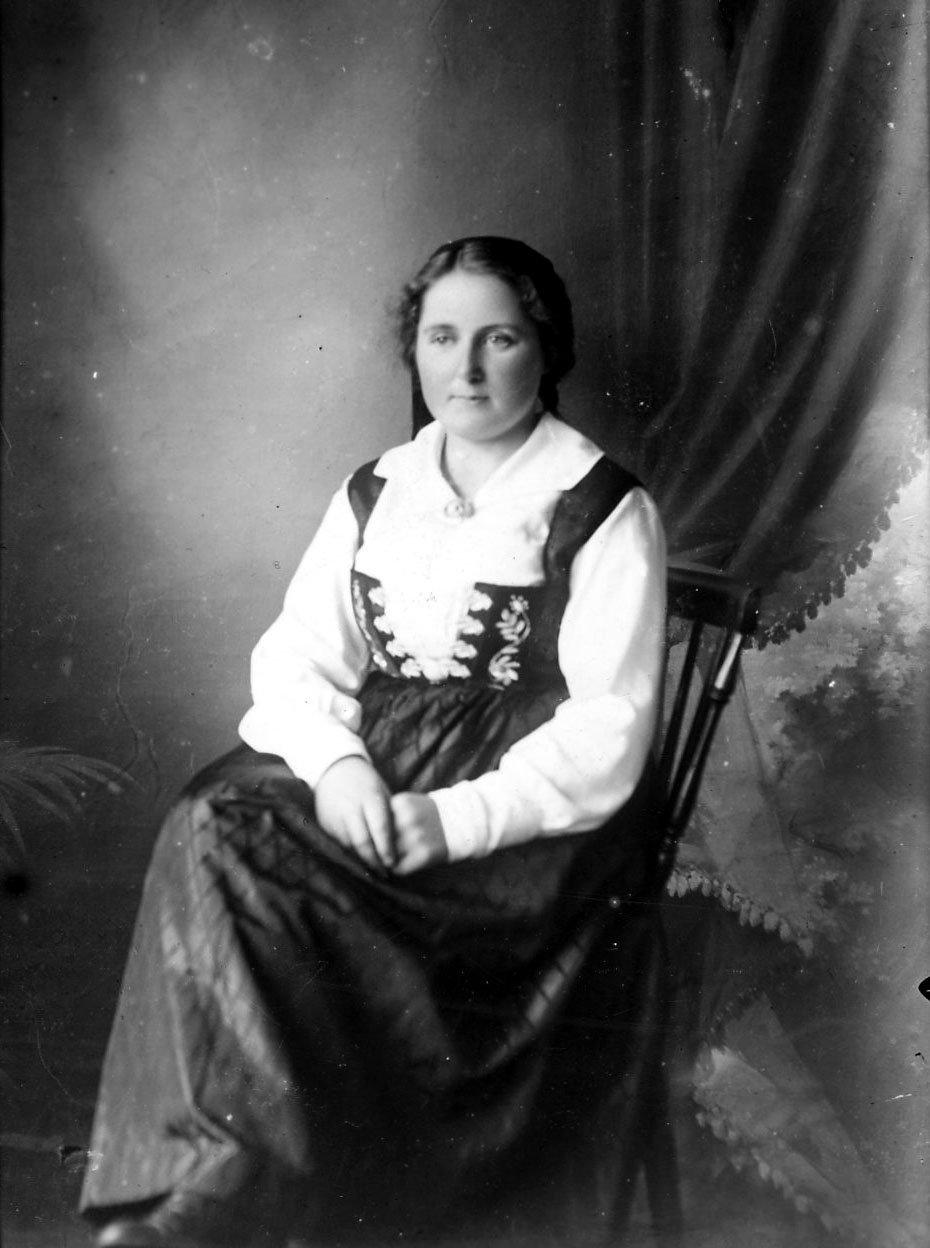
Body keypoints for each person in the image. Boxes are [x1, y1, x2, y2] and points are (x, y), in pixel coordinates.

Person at [81, 237, 667, 1248]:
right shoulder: (377, 489)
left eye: (499, 339)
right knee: (215, 820)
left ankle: (253, 1187)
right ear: (415, 350)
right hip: (385, 772)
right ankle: (219, 1174)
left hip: (529, 833)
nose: (467, 369)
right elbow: (298, 658)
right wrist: (341, 766)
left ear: (546, 352)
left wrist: (454, 819)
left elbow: (609, 726)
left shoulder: (601, 503)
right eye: (442, 338)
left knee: (260, 863)